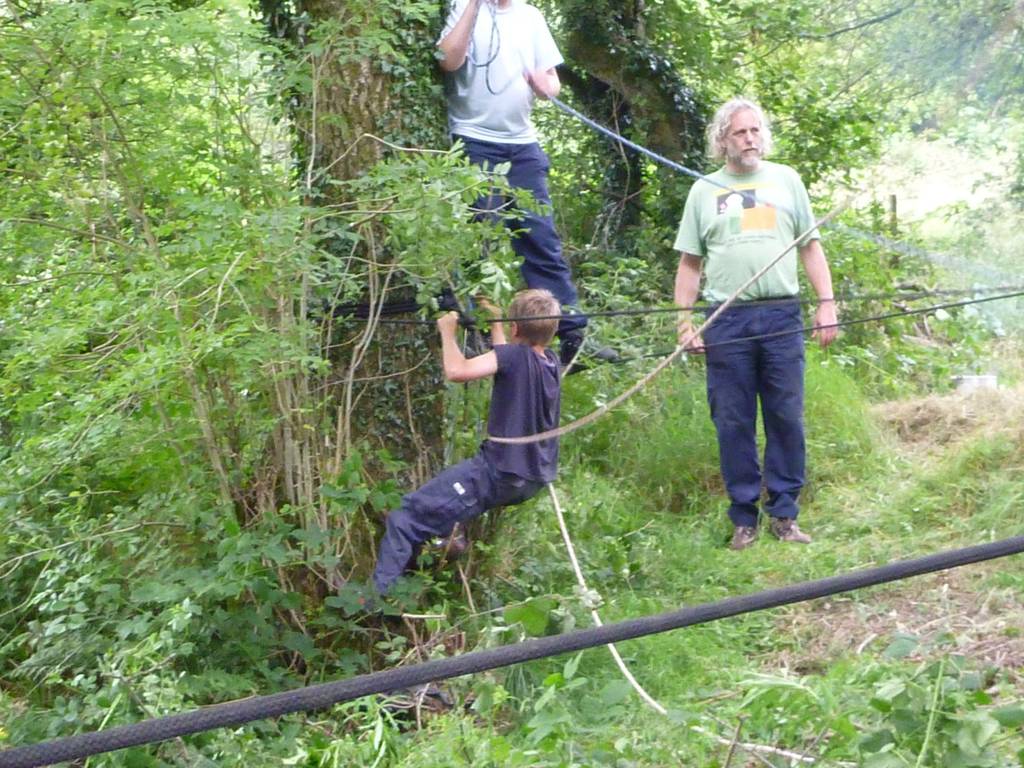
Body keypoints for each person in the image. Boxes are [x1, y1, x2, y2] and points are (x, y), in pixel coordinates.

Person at [673, 98, 839, 551]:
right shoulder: (704, 190)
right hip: (726, 319)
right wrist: (684, 323)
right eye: (739, 133)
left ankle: (784, 513)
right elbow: (689, 263)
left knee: (786, 415)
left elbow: (810, 247)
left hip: (782, 314)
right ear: (722, 139)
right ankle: (743, 517)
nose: (749, 139)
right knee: (733, 420)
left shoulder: (786, 180)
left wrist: (827, 304)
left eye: (754, 131)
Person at [372, 289, 562, 594]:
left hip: (498, 472)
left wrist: (447, 333)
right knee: (431, 518)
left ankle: (375, 603)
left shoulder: (514, 357)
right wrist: (497, 322)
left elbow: (457, 371)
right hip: (529, 479)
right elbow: (505, 357)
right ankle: (441, 549)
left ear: (516, 329)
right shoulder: (549, 361)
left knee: (405, 517)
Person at [437, 0, 588, 368]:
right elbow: (448, 60)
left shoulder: (530, 16)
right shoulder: (460, 6)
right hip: (472, 141)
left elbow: (552, 80)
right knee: (480, 238)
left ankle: (568, 333)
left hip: (522, 146)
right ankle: (477, 332)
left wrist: (545, 86)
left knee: (541, 239)